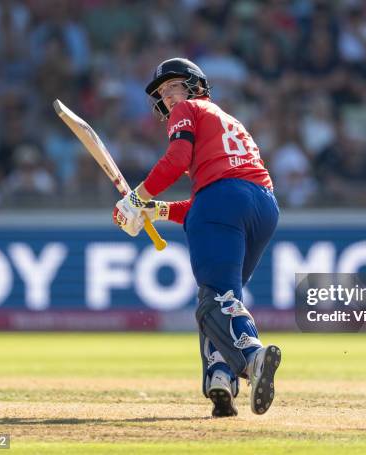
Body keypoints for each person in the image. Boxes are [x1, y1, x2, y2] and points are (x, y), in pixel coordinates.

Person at [112, 58, 281, 417]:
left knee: (215, 300)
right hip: (262, 205)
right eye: (162, 93)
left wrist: (136, 198)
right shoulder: (227, 120)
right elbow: (206, 204)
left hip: (223, 201)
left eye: (174, 86)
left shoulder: (189, 109)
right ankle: (220, 376)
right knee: (220, 295)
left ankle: (252, 357)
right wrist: (154, 210)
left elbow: (177, 162)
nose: (169, 97)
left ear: (195, 86)